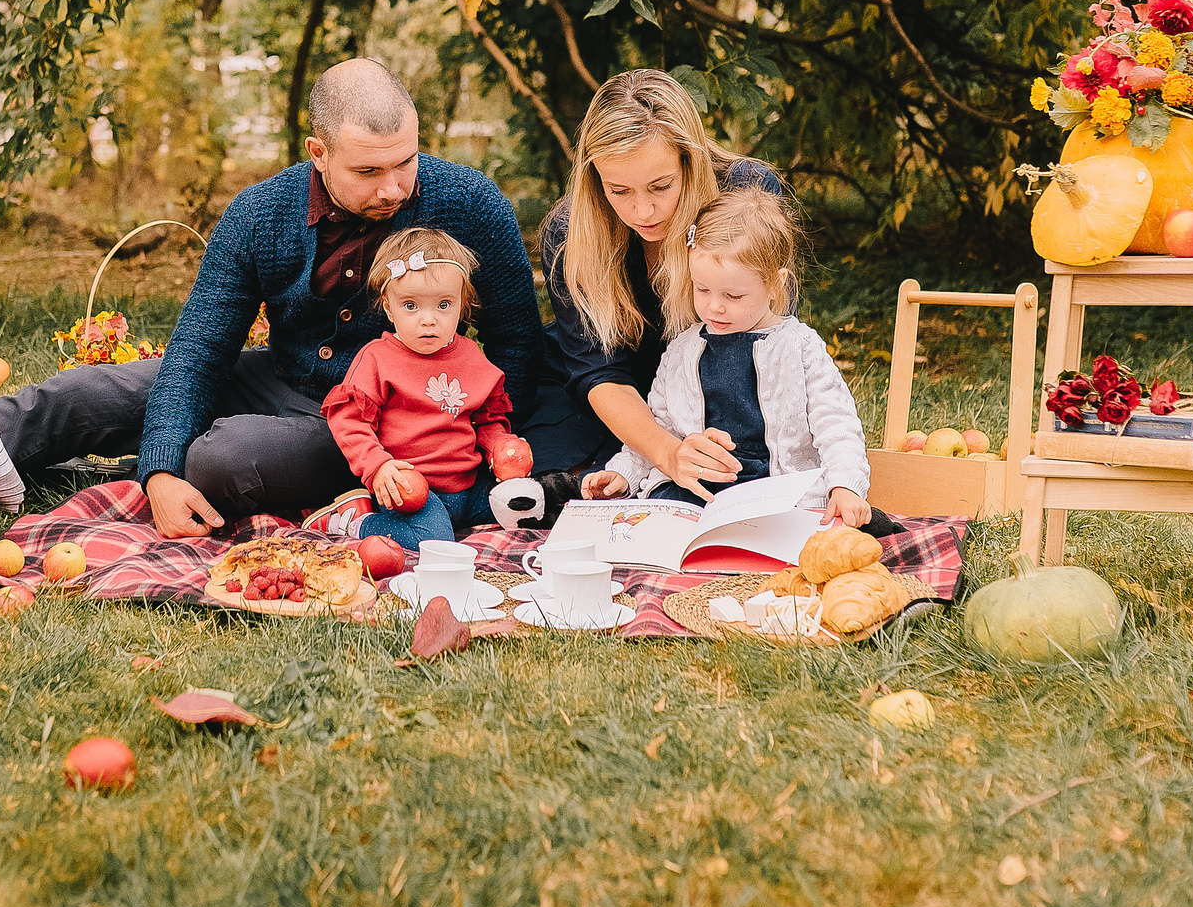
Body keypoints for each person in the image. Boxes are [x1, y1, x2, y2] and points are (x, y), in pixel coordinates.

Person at [0, 59, 542, 537]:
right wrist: (158, 474)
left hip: (382, 422)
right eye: (368, 171)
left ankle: (124, 472)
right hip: (278, 376)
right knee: (87, 393)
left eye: (406, 163)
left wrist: (471, 449)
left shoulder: (471, 202)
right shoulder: (259, 214)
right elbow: (200, 349)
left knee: (220, 460)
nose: (393, 187)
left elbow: (516, 337)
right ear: (318, 152)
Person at [536, 68, 787, 490]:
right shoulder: (569, 233)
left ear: (689, 160)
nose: (643, 213)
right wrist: (667, 452)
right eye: (619, 191)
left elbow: (764, 335)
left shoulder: (746, 194)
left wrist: (695, 442)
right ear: (594, 178)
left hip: (725, 382)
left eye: (660, 186)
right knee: (564, 475)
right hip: (611, 399)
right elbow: (598, 371)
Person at [581, 188, 871, 523]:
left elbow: (837, 425)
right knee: (654, 519)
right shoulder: (683, 350)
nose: (714, 306)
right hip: (699, 490)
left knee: (785, 528)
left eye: (733, 295)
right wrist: (623, 474)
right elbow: (662, 426)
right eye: (701, 289)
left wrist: (845, 486)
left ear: (776, 285)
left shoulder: (799, 348)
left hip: (774, 488)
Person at [321, 230, 528, 550]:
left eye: (443, 304)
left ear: (462, 305)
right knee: (432, 540)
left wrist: (501, 446)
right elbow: (349, 421)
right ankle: (356, 520)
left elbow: (487, 421)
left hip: (470, 487)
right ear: (389, 309)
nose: (428, 320)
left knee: (526, 508)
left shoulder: (471, 356)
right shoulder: (378, 358)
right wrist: (378, 466)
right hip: (411, 491)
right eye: (411, 306)